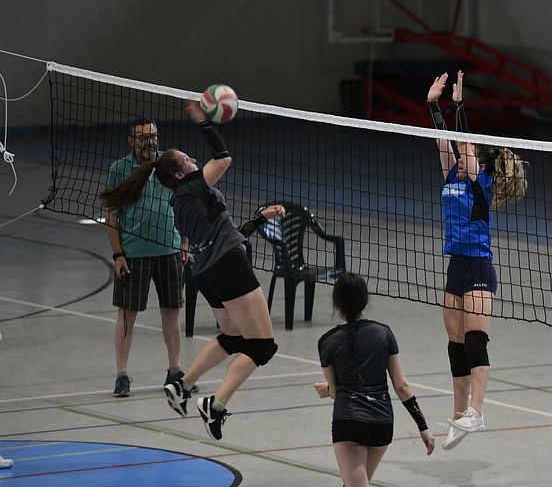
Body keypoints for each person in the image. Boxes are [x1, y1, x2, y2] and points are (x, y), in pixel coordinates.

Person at [101, 101, 283, 441]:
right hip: (228, 266)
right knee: (263, 347)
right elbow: (224, 156)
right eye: (188, 160)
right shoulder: (192, 187)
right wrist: (202, 120)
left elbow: (223, 233)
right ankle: (214, 404)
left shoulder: (180, 201)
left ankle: (181, 385)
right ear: (182, 175)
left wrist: (259, 219)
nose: (196, 161)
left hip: (208, 272)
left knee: (232, 338)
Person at [425, 71, 527, 450]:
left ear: (480, 165)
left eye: (469, 157)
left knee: (475, 342)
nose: (463, 158)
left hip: (480, 268)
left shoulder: (479, 185)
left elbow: (464, 142)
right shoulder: (451, 173)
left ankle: (478, 411)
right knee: (454, 346)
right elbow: (442, 139)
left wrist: (460, 104)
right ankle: (458, 416)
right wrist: (433, 105)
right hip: (455, 266)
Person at [314, 273, 434, 487]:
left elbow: (335, 392)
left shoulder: (327, 341)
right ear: (364, 300)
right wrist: (422, 426)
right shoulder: (384, 333)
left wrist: (328, 390)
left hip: (349, 423)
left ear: (336, 302)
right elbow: (401, 385)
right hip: (381, 424)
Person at [105, 117, 189, 397]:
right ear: (131, 141)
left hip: (169, 251)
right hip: (134, 253)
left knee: (172, 312)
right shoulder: (120, 169)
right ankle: (121, 375)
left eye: (153, 136)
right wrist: (118, 254)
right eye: (143, 138)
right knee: (127, 315)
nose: (149, 142)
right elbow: (112, 215)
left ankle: (175, 372)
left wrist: (185, 243)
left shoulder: (169, 166)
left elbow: (186, 203)